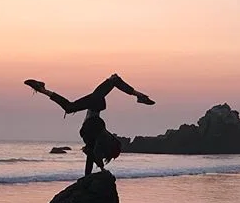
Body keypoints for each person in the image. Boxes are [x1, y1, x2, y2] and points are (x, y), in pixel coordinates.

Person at [24, 74, 155, 176]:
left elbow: (91, 157)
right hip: (96, 106)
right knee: (72, 106)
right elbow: (94, 154)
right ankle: (137, 94)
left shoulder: (94, 141)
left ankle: (42, 89)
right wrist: (102, 169)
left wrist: (89, 175)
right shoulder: (98, 135)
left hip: (95, 106)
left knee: (70, 107)